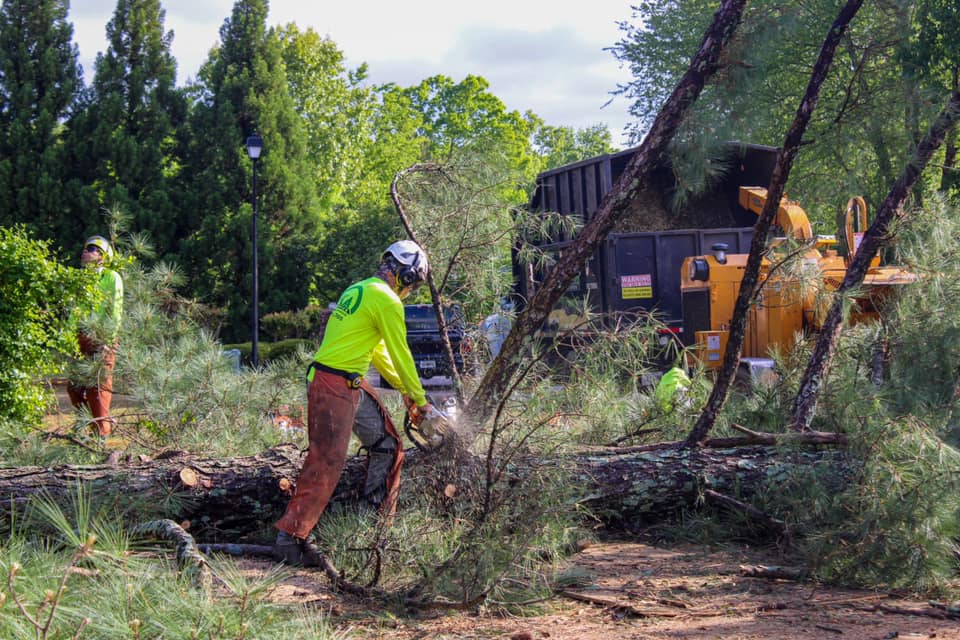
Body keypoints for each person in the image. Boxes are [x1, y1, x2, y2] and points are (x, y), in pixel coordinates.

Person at [274, 240, 441, 565]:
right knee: (326, 461)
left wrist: (408, 393)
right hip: (333, 382)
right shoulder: (387, 300)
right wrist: (422, 401)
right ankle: (289, 538)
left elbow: (379, 353)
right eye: (414, 283)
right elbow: (400, 352)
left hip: (348, 381)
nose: (411, 290)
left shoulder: (359, 290)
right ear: (407, 275)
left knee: (389, 446)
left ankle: (369, 529)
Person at [67, 235, 124, 440]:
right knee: (74, 388)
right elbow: (73, 311)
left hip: (102, 339)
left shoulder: (111, 277)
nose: (85, 252)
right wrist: (68, 338)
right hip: (79, 338)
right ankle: (84, 425)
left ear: (101, 256)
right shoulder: (79, 280)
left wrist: (108, 340)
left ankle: (102, 437)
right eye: (85, 249)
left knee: (98, 389)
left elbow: (115, 310)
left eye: (91, 249)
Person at [480, 297, 514, 361]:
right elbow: (482, 332)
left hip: (502, 355)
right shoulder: (490, 319)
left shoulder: (489, 319)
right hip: (497, 355)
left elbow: (481, 332)